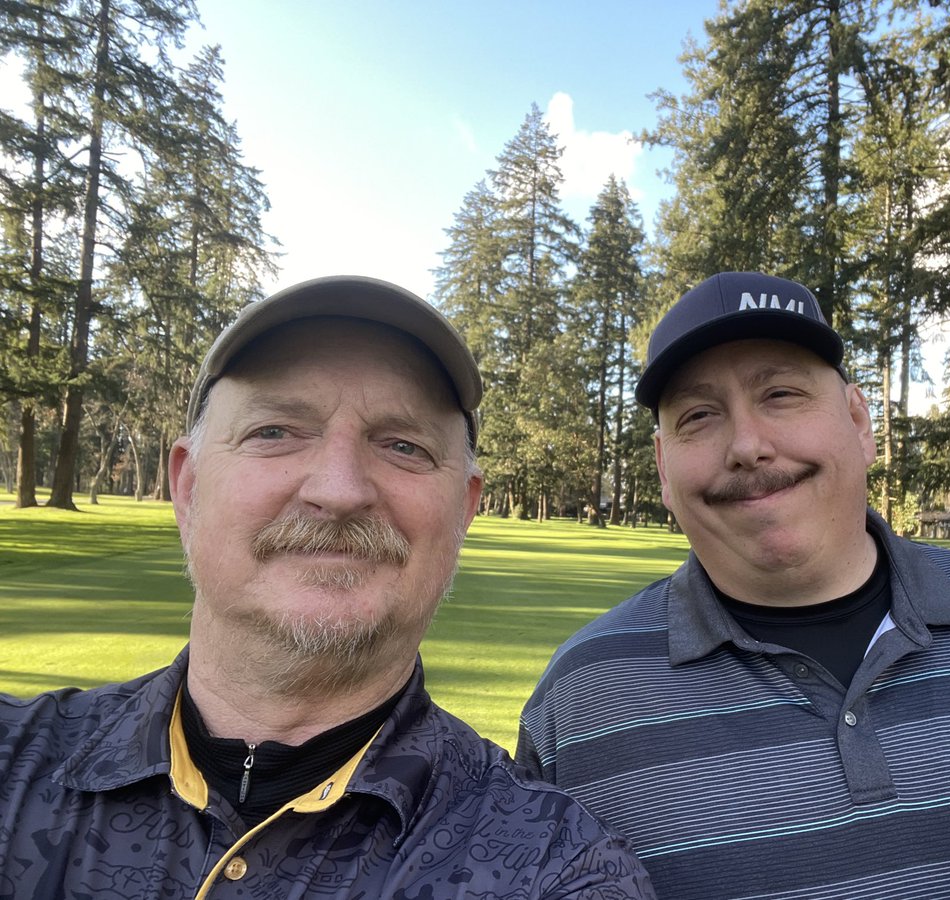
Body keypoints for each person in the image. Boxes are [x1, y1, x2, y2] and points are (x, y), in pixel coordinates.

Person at [517, 271, 950, 900]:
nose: (747, 443)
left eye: (780, 394)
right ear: (664, 468)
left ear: (860, 422)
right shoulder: (579, 703)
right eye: (698, 415)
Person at [0, 276, 656, 899]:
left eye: (404, 446)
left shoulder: (554, 868)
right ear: (189, 487)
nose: (338, 491)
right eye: (275, 432)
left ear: (462, 511)